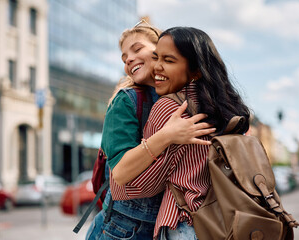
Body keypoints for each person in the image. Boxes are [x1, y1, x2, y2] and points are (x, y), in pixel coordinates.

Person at [110, 27, 251, 239]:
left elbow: (134, 185)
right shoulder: (227, 108)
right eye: (157, 57)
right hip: (228, 218)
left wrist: (163, 137)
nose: (158, 66)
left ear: (195, 70)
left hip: (185, 222)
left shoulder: (168, 107)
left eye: (168, 60)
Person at [86, 22, 214, 240]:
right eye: (124, 57)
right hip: (121, 228)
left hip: (166, 226)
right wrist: (167, 136)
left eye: (136, 49)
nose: (128, 59)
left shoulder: (187, 95)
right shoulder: (125, 101)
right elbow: (121, 173)